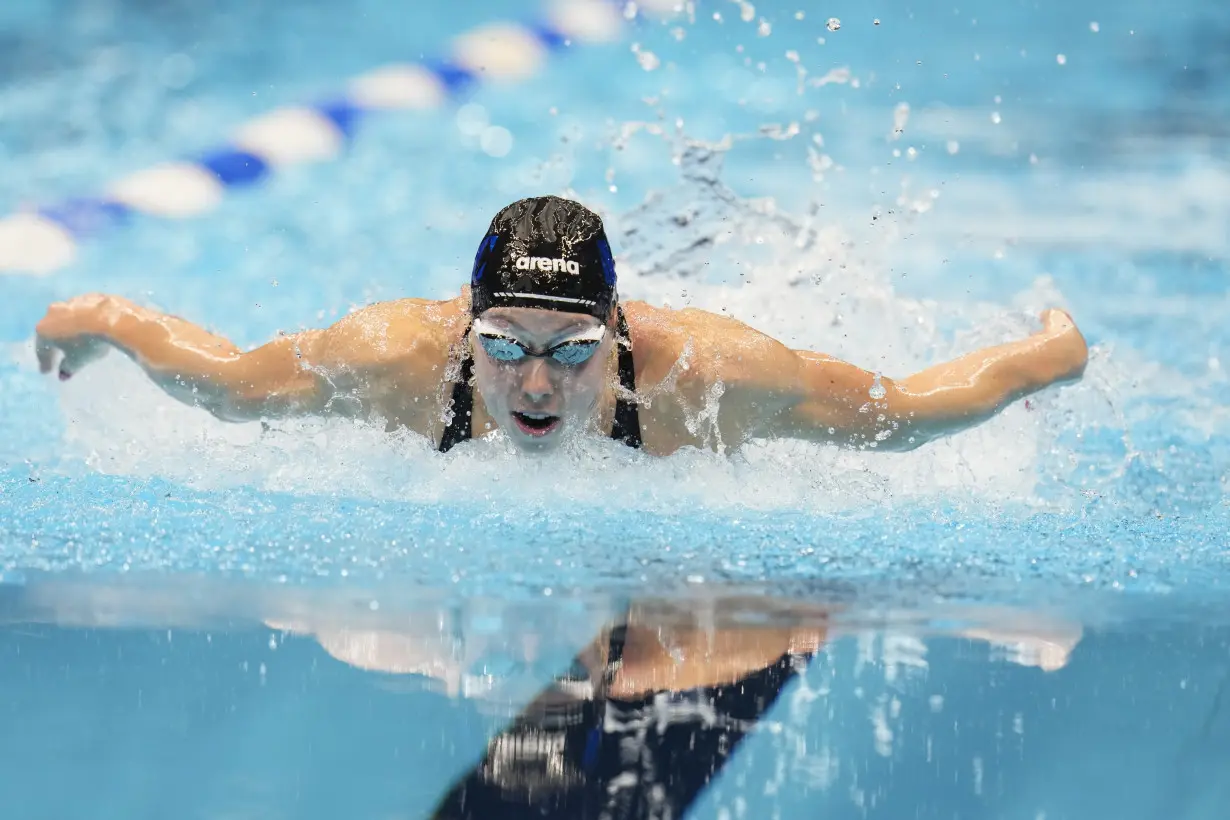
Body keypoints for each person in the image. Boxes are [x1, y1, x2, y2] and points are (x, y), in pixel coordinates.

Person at [33, 195, 1088, 456]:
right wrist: (100, 317)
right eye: (504, 347)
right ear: (465, 329)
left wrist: (1047, 355)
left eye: (572, 353)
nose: (535, 386)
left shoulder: (707, 382)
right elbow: (222, 382)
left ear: (618, 336)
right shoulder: (394, 360)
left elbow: (900, 415)